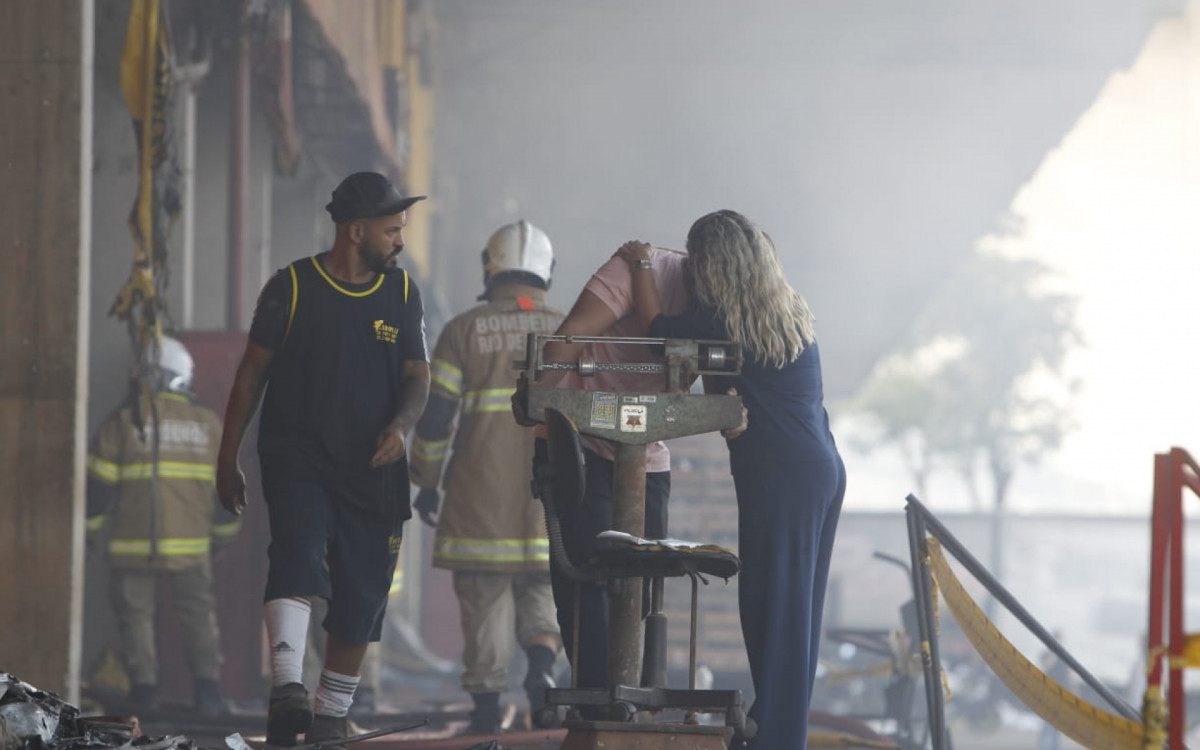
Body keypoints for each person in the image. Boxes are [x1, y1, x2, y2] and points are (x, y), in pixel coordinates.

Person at [216, 172, 430, 748]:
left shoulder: (403, 294)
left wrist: (401, 426)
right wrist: (226, 457)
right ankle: (288, 690)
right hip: (299, 456)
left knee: (363, 590)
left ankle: (331, 718)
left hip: (374, 466)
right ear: (355, 231)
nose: (400, 241)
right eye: (391, 230)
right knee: (298, 554)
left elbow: (417, 375)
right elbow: (250, 377)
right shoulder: (290, 287)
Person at [619, 210, 845, 750]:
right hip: (814, 469)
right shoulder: (781, 309)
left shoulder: (725, 320)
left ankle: (778, 740)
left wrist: (642, 263)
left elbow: (657, 333)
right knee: (787, 613)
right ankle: (776, 730)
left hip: (784, 477)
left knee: (777, 615)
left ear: (714, 265)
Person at [513, 242, 694, 695]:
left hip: (645, 446)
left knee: (644, 576)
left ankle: (634, 692)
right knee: (586, 576)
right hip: (581, 434)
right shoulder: (634, 269)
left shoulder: (727, 301)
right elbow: (572, 335)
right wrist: (537, 393)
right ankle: (595, 698)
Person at [409, 220, 566, 734]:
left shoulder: (463, 331)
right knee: (545, 597)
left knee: (484, 606)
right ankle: (543, 668)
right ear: (546, 272)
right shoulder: (572, 330)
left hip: (480, 502)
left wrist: (426, 480)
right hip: (552, 503)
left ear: (490, 268)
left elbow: (436, 418)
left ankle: (484, 716)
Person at [86, 336, 241, 716]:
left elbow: (97, 490)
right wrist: (222, 540)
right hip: (192, 548)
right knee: (198, 616)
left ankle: (144, 694)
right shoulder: (208, 425)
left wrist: (87, 534)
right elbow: (228, 492)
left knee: (135, 616)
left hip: (131, 545)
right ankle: (208, 693)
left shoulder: (123, 422)